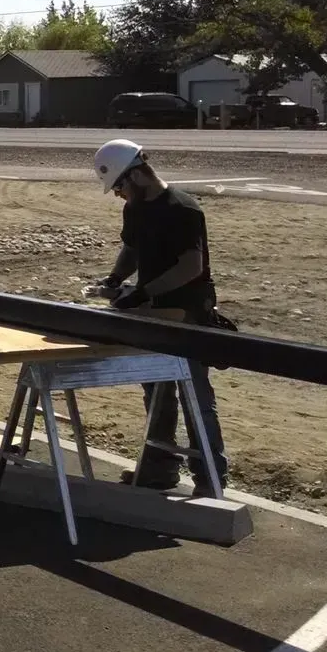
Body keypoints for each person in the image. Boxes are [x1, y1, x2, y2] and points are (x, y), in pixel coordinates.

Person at [93, 138, 230, 497]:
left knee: (196, 397)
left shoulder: (183, 209)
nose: (118, 194)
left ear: (136, 175)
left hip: (187, 312)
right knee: (156, 392)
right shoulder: (135, 210)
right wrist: (116, 279)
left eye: (120, 186)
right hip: (154, 313)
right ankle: (159, 468)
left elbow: (191, 266)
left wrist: (143, 292)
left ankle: (210, 479)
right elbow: (132, 248)